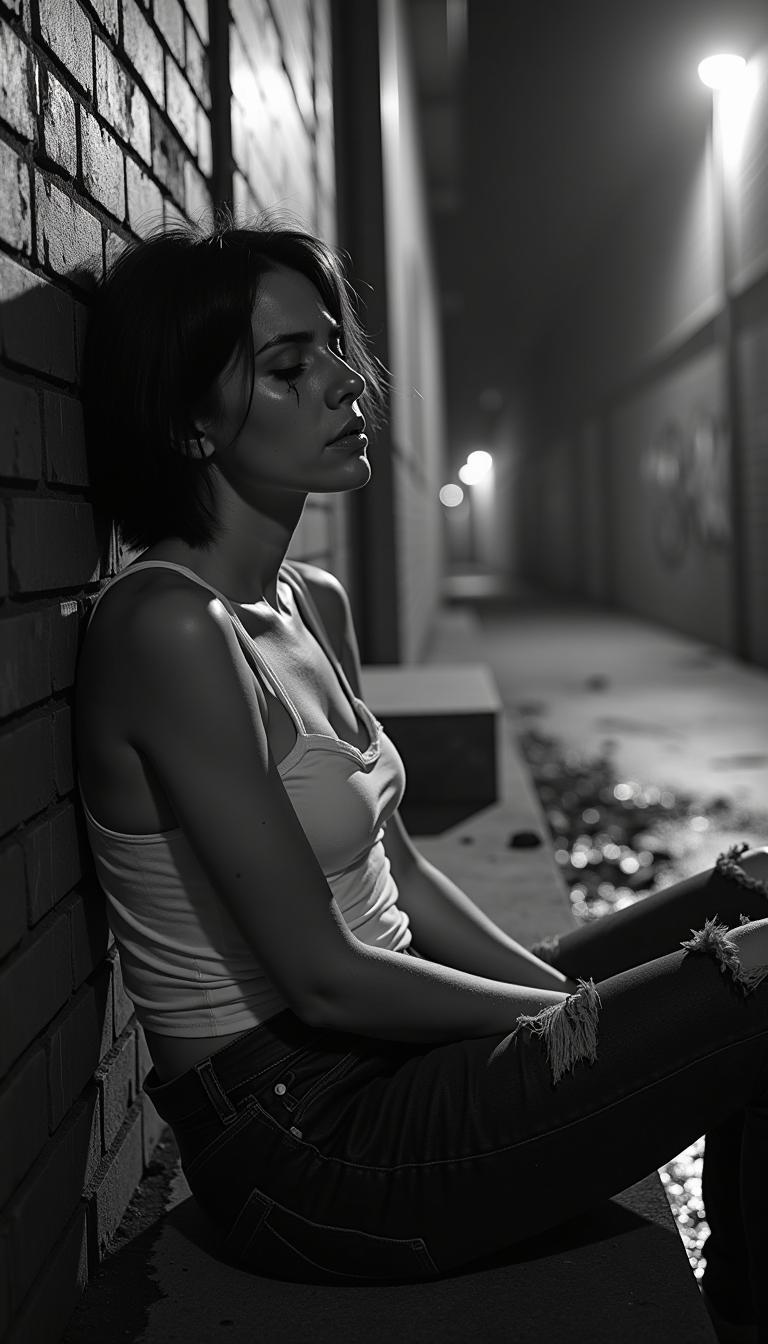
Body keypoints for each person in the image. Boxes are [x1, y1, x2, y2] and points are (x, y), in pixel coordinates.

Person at [75, 212, 768, 1341]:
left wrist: (560, 993)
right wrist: (575, 1016)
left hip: (386, 1051)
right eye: (291, 367)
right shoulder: (167, 631)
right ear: (190, 425)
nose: (348, 384)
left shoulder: (312, 602)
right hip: (309, 1142)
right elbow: (326, 981)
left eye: (334, 348)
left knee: (755, 899)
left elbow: (396, 866)